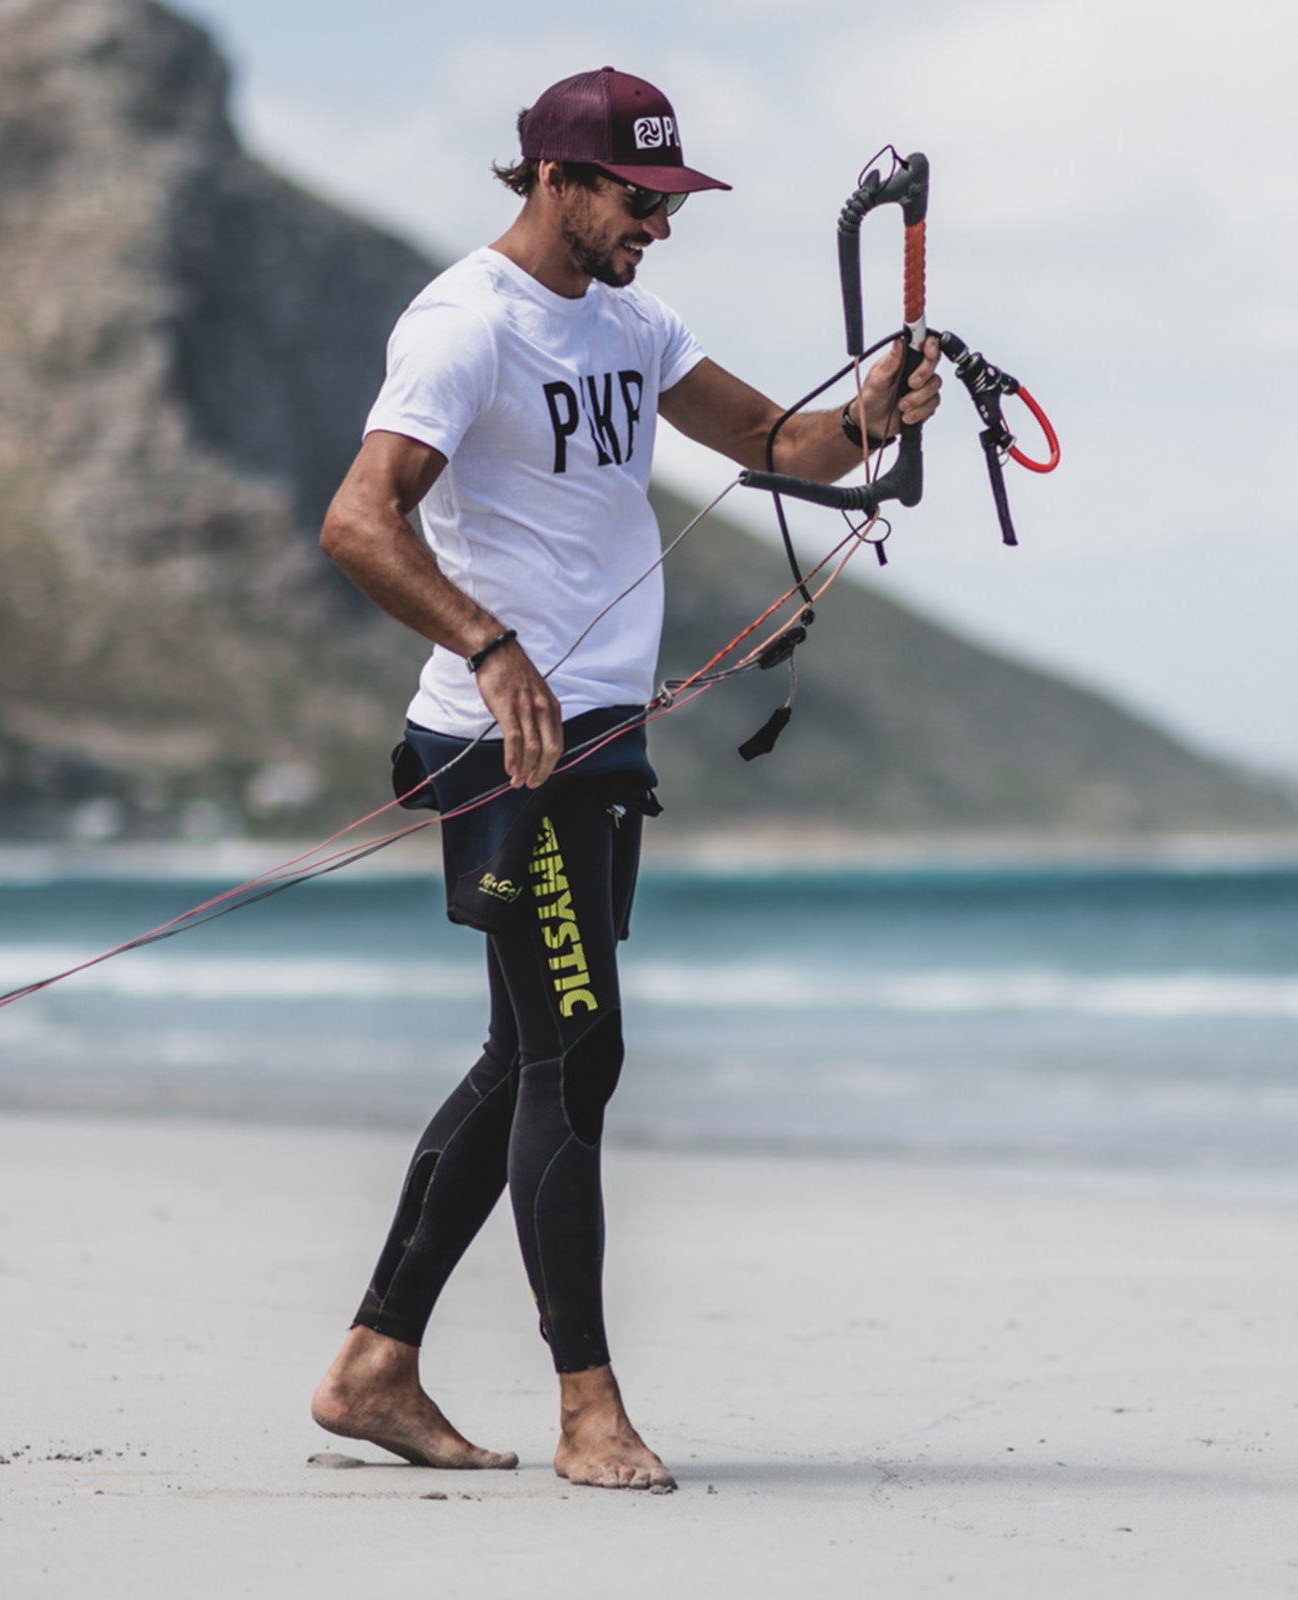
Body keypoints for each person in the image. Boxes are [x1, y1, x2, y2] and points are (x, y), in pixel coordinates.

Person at [306, 67, 942, 1493]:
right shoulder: (465, 325)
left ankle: (373, 1367)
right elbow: (359, 520)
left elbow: (788, 448)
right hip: (505, 746)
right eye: (641, 199)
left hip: (600, 743)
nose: (661, 223)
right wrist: (490, 649)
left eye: (670, 200)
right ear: (559, 183)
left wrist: (878, 417)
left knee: (532, 1052)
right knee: (573, 1055)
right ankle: (587, 1408)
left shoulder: (634, 322)